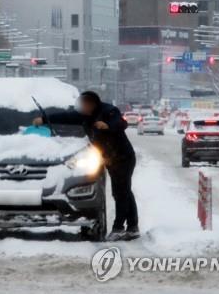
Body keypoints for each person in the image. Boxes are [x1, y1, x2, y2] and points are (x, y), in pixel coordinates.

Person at [33, 91, 139, 241]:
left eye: (86, 105)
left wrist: (107, 125)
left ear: (93, 104)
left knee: (120, 192)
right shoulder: (84, 115)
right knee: (124, 191)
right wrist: (43, 119)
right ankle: (133, 227)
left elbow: (121, 123)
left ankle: (119, 228)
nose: (83, 108)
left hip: (123, 158)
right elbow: (65, 117)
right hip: (110, 158)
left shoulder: (108, 111)